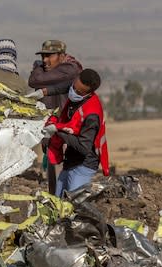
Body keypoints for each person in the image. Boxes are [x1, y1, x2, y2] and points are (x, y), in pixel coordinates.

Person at [25, 40, 83, 195]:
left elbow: (34, 80)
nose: (45, 60)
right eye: (43, 56)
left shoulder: (70, 69)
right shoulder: (49, 73)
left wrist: (36, 67)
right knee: (54, 184)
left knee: (70, 182)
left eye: (49, 56)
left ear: (62, 56)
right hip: (51, 134)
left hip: (68, 134)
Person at [42, 69, 110, 198]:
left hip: (83, 166)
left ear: (89, 94)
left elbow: (83, 147)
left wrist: (58, 131)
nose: (73, 91)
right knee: (58, 201)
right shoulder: (77, 92)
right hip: (70, 162)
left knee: (74, 205)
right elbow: (64, 87)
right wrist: (43, 92)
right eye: (74, 87)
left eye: (78, 92)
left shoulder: (92, 115)